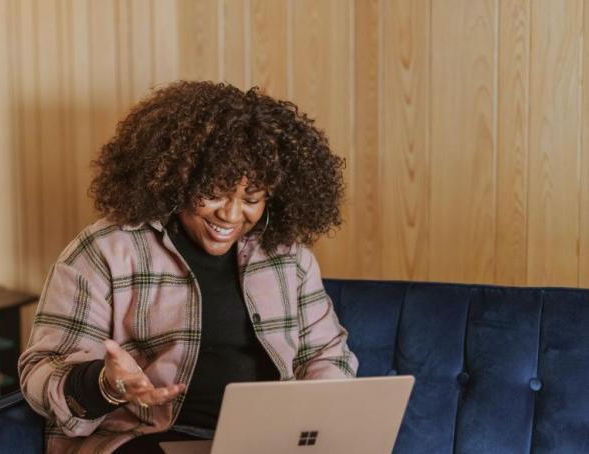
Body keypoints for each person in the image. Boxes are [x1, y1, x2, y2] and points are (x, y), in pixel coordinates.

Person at [18, 81, 358, 454]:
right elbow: (40, 369)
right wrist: (103, 384)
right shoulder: (106, 251)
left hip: (263, 443)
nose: (230, 214)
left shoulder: (288, 258)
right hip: (142, 439)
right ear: (179, 179)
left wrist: (314, 425)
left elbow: (326, 354)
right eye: (214, 192)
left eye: (251, 198)